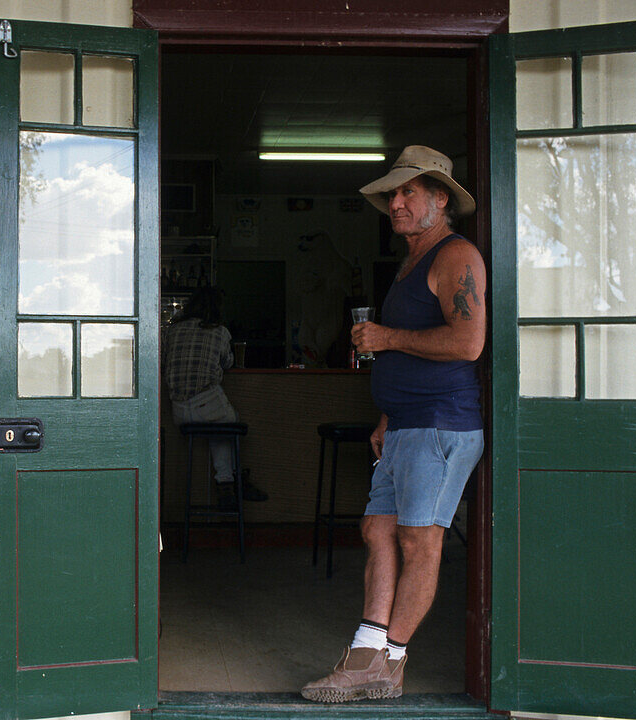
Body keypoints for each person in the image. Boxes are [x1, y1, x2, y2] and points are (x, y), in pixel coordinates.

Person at [302, 145, 486, 702]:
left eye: (408, 192)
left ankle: (387, 660)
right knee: (377, 530)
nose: (396, 203)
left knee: (419, 541)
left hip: (441, 424)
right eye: (392, 194)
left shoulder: (456, 256)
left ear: (441, 199)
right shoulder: (411, 261)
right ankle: (369, 651)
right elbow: (410, 355)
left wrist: (386, 337)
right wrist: (387, 413)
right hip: (406, 424)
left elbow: (467, 342)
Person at [164, 287, 266, 508]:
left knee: (220, 427)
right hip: (207, 403)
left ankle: (230, 481)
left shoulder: (173, 331)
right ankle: (229, 482)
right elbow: (228, 362)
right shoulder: (220, 332)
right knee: (229, 425)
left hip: (178, 411)